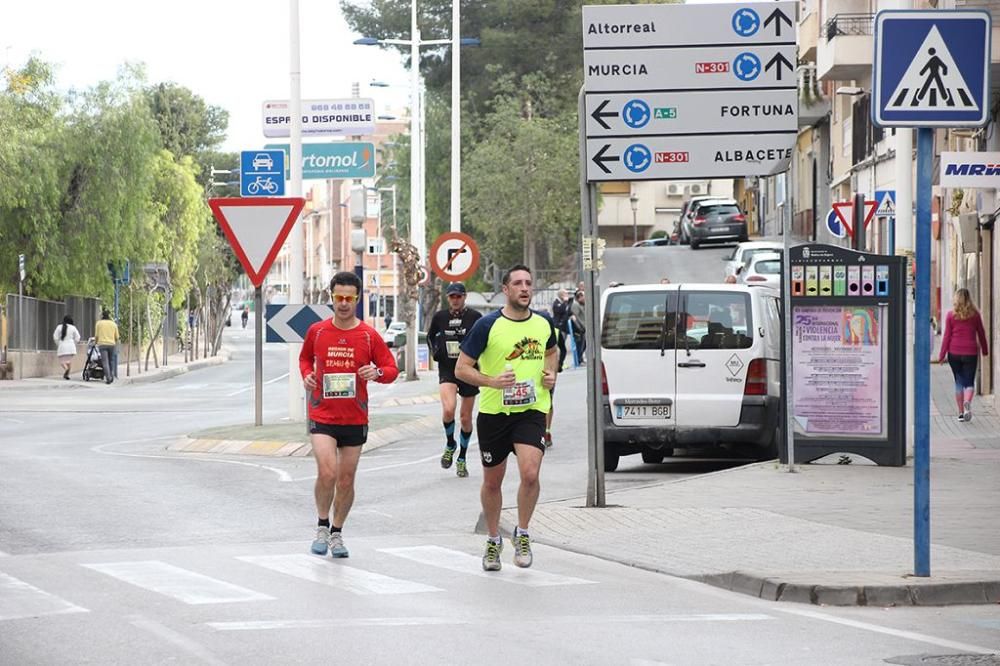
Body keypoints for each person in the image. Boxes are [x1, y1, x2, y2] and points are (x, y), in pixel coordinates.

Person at [456, 264, 558, 571]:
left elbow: (551, 351)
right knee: (492, 481)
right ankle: (492, 539)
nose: (525, 288)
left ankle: (522, 532)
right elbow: (462, 368)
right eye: (518, 283)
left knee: (530, 473)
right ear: (506, 289)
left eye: (529, 283)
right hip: (493, 413)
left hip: (531, 410)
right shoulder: (487, 325)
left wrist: (550, 374)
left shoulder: (543, 324)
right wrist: (491, 381)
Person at [300, 272, 400, 558]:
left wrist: (377, 372)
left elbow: (391, 369)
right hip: (322, 414)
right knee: (327, 472)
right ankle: (321, 524)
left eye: (349, 298)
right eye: (338, 297)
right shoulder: (317, 331)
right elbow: (305, 358)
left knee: (346, 479)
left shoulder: (368, 336)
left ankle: (337, 532)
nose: (343, 304)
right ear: (331, 297)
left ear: (357, 299)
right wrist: (307, 376)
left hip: (355, 418)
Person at [426, 282, 482, 478]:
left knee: (465, 418)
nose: (455, 300)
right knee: (448, 409)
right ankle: (451, 443)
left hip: (468, 370)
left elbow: (485, 339)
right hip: (448, 369)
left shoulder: (475, 317)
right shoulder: (440, 317)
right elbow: (430, 336)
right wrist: (436, 353)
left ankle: (462, 458)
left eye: (459, 296)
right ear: (448, 298)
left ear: (465, 297)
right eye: (452, 297)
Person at [937, 288, 989, 422]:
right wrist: (984, 350)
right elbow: (981, 333)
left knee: (959, 382)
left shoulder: (950, 315)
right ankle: (967, 403)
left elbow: (947, 336)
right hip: (970, 352)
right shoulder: (975, 315)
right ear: (969, 299)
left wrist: (942, 355)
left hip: (954, 353)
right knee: (969, 382)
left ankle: (961, 413)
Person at [94, 309, 119, 385]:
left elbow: (96, 336)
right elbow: (117, 337)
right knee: (111, 361)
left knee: (105, 362)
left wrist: (96, 343)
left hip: (102, 344)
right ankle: (111, 375)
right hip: (112, 344)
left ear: (102, 316)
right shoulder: (113, 324)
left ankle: (108, 378)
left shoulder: (99, 323)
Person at [53, 315, 81, 380]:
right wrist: (74, 343)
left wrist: (58, 343)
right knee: (68, 361)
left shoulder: (59, 327)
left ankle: (66, 369)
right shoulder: (73, 327)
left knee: (62, 361)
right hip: (71, 346)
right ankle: (67, 374)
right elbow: (78, 337)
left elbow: (55, 337)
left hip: (62, 345)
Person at [570, 290, 587, 365]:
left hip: (583, 328)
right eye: (583, 297)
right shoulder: (575, 305)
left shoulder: (581, 304)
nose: (585, 298)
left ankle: (581, 359)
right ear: (579, 297)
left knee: (583, 344)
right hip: (579, 328)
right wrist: (579, 327)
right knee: (579, 345)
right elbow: (575, 317)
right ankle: (579, 360)